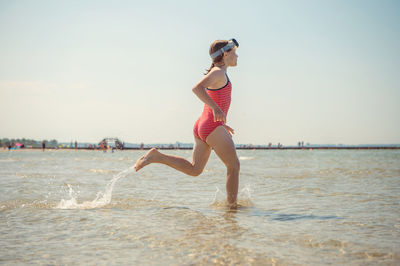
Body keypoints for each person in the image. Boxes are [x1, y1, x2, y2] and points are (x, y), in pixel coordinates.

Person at [134, 39, 240, 207]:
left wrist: (220, 119)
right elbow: (196, 88)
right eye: (234, 52)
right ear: (225, 54)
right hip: (211, 126)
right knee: (233, 166)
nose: (237, 55)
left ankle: (157, 156)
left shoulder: (219, 73)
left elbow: (215, 98)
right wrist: (216, 110)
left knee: (195, 169)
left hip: (205, 125)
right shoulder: (218, 72)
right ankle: (232, 209)